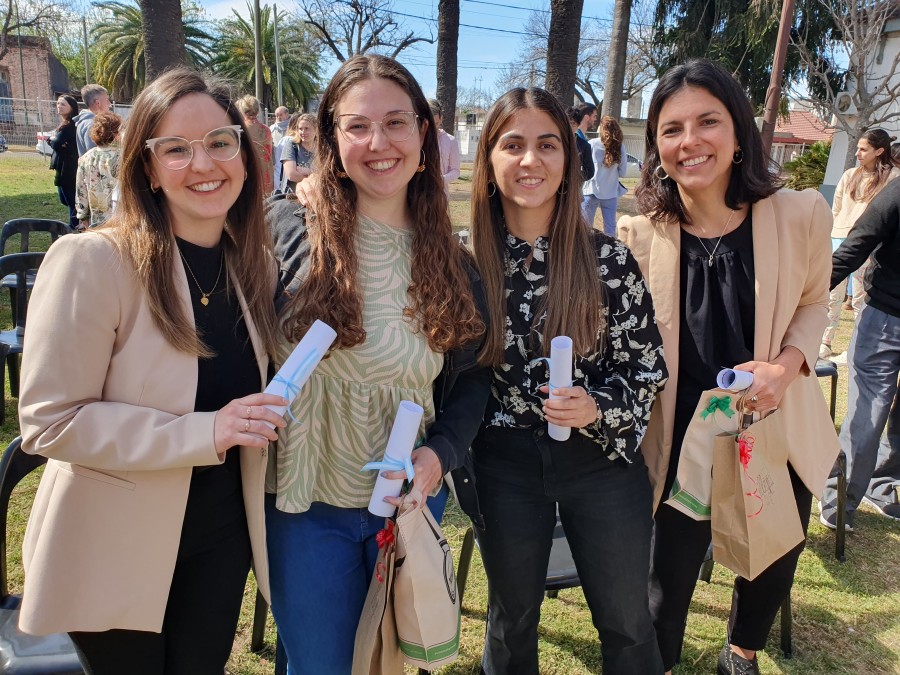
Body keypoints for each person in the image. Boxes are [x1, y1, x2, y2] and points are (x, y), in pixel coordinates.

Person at [17, 68, 288, 675]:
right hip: (111, 545)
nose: (204, 163)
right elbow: (50, 422)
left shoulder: (257, 269)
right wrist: (205, 432)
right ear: (145, 166)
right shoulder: (93, 262)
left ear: (243, 154)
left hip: (220, 542)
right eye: (176, 149)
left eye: (220, 141)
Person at [265, 54, 488, 675]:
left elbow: (471, 378)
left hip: (406, 502)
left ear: (424, 133)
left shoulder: (454, 258)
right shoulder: (288, 226)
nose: (378, 143)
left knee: (394, 664)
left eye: (396, 123)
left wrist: (440, 453)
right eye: (357, 126)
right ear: (333, 139)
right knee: (321, 665)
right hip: (302, 503)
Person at [618, 59, 837, 675]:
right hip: (680, 438)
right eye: (671, 129)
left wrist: (788, 365)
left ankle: (740, 652)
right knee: (667, 581)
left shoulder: (800, 215)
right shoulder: (638, 238)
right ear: (657, 147)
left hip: (772, 428)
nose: (690, 141)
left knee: (768, 561)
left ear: (739, 132)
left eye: (708, 121)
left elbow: (816, 301)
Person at [467, 86, 668, 675]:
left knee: (627, 620)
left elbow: (646, 364)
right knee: (512, 620)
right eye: (513, 145)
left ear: (569, 159)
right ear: (490, 158)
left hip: (600, 464)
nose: (530, 161)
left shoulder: (607, 259)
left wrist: (598, 406)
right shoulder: (464, 264)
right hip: (503, 464)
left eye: (547, 145)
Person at [821, 176, 900, 526]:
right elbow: (857, 245)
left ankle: (861, 493)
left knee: (869, 407)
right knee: (870, 410)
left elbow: (858, 243)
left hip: (884, 316)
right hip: (886, 315)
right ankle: (846, 498)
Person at [820, 128, 898, 359]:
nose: (858, 153)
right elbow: (837, 207)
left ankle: (856, 345)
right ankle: (825, 341)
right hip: (839, 237)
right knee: (833, 295)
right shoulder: (850, 174)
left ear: (879, 151)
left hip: (871, 244)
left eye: (863, 149)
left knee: (861, 297)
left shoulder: (892, 178)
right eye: (857, 148)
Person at [75, 111, 122, 229]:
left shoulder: (85, 158)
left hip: (97, 221)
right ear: (116, 133)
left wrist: (82, 216)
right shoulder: (124, 156)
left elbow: (81, 190)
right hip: (121, 219)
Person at [582, 115, 628, 234]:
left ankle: (584, 251)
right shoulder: (620, 147)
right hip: (610, 192)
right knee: (610, 227)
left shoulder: (591, 143)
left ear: (601, 128)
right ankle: (610, 250)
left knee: (585, 228)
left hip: (591, 190)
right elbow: (623, 173)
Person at [48, 94, 80, 229]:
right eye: (58, 103)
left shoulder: (71, 126)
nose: (59, 106)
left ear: (71, 108)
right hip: (60, 166)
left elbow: (57, 142)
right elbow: (55, 142)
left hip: (69, 168)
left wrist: (53, 140)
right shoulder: (63, 124)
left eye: (63, 104)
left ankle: (73, 227)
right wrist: (52, 140)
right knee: (64, 199)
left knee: (71, 201)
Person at [237, 94, 275, 194]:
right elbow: (269, 156)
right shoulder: (266, 130)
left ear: (242, 111)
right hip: (266, 177)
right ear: (257, 111)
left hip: (247, 176)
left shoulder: (240, 130)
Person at [427, 99, 461, 193]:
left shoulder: (450, 141)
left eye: (436, 123)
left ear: (441, 118)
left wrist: (440, 180)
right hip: (415, 195)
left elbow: (455, 171)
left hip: (440, 195)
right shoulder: (417, 140)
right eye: (429, 124)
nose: (432, 128)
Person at [279, 113, 316, 193]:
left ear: (316, 129)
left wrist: (308, 171)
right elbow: (291, 175)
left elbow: (327, 175)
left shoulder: (322, 149)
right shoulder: (291, 145)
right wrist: (316, 176)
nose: (303, 132)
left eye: (307, 128)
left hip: (316, 196)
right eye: (300, 128)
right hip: (293, 197)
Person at [75, 84, 112, 155]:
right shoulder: (92, 124)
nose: (110, 104)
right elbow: (96, 155)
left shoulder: (85, 121)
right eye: (107, 100)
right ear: (98, 103)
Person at [566, 106, 595, 185]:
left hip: (573, 187)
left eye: (572, 123)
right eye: (567, 123)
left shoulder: (584, 145)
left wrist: (573, 177)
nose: (569, 126)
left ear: (578, 125)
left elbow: (589, 171)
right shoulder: (556, 141)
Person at [270, 106, 291, 189]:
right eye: (277, 115)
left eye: (280, 115)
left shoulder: (292, 127)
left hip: (289, 158)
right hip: (276, 160)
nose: (279, 117)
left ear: (286, 114)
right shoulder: (271, 128)